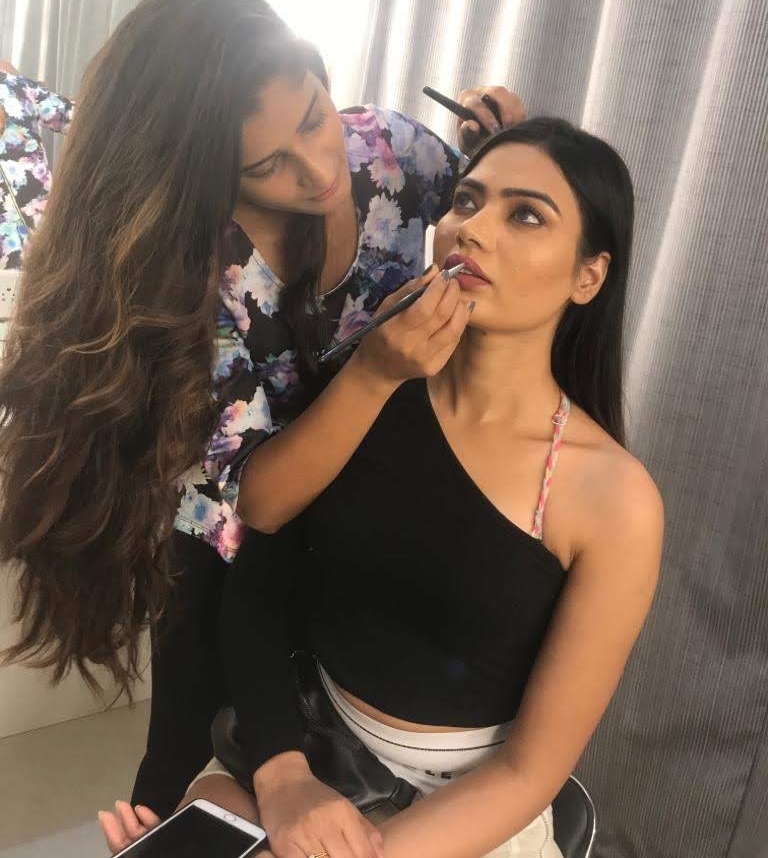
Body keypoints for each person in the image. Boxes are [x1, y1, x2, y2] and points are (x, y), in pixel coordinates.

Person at [0, 0, 524, 820]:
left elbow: (483, 211)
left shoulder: (385, 152)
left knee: (325, 765)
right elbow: (263, 499)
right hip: (231, 546)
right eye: (268, 165)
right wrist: (376, 373)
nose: (319, 170)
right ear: (208, 171)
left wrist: (497, 144)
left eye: (313, 116)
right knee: (187, 764)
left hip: (357, 525)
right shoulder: (195, 282)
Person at [101, 118, 664, 858]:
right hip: (312, 748)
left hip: (468, 807)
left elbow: (529, 772)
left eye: (526, 215)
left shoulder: (615, 500)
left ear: (588, 275)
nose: (472, 230)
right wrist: (283, 775)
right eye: (466, 201)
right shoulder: (370, 388)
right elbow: (258, 586)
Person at [0, 59, 73, 267]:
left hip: (37, 232)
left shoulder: (17, 85)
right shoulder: (17, 84)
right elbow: (75, 117)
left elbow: (72, 117)